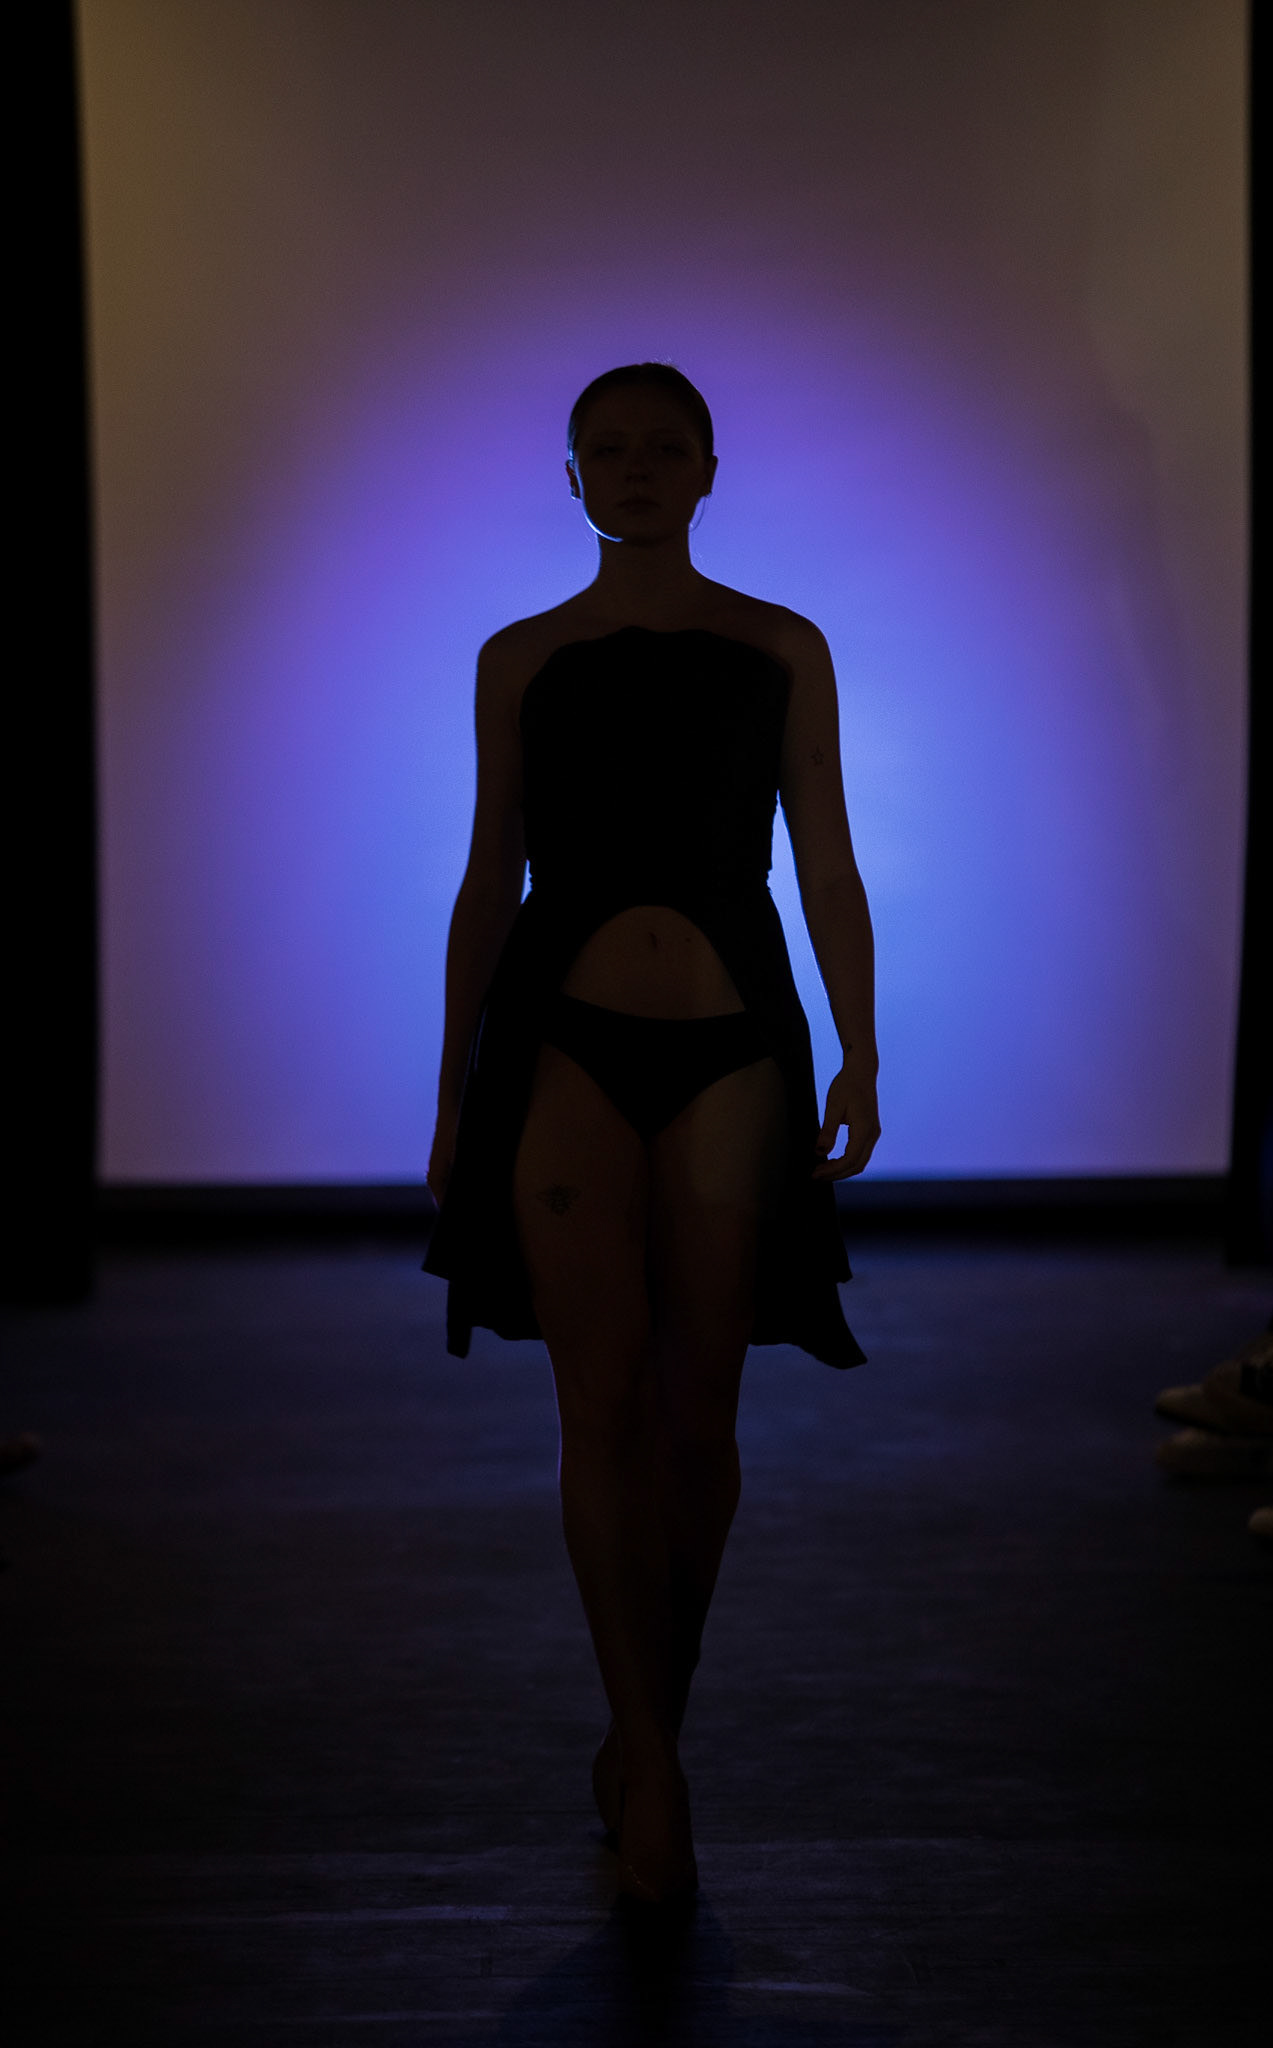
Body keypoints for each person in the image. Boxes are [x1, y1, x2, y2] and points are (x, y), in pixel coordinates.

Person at [422, 363, 879, 1904]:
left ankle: (646, 1737)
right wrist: (448, 1089)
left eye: (661, 448)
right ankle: (654, 1766)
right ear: (570, 477)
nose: (633, 469)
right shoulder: (521, 658)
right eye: (605, 450)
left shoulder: (779, 646)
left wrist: (863, 1048)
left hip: (732, 1042)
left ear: (706, 470)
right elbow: (490, 873)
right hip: (559, 1045)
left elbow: (825, 860)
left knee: (699, 1418)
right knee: (600, 1407)